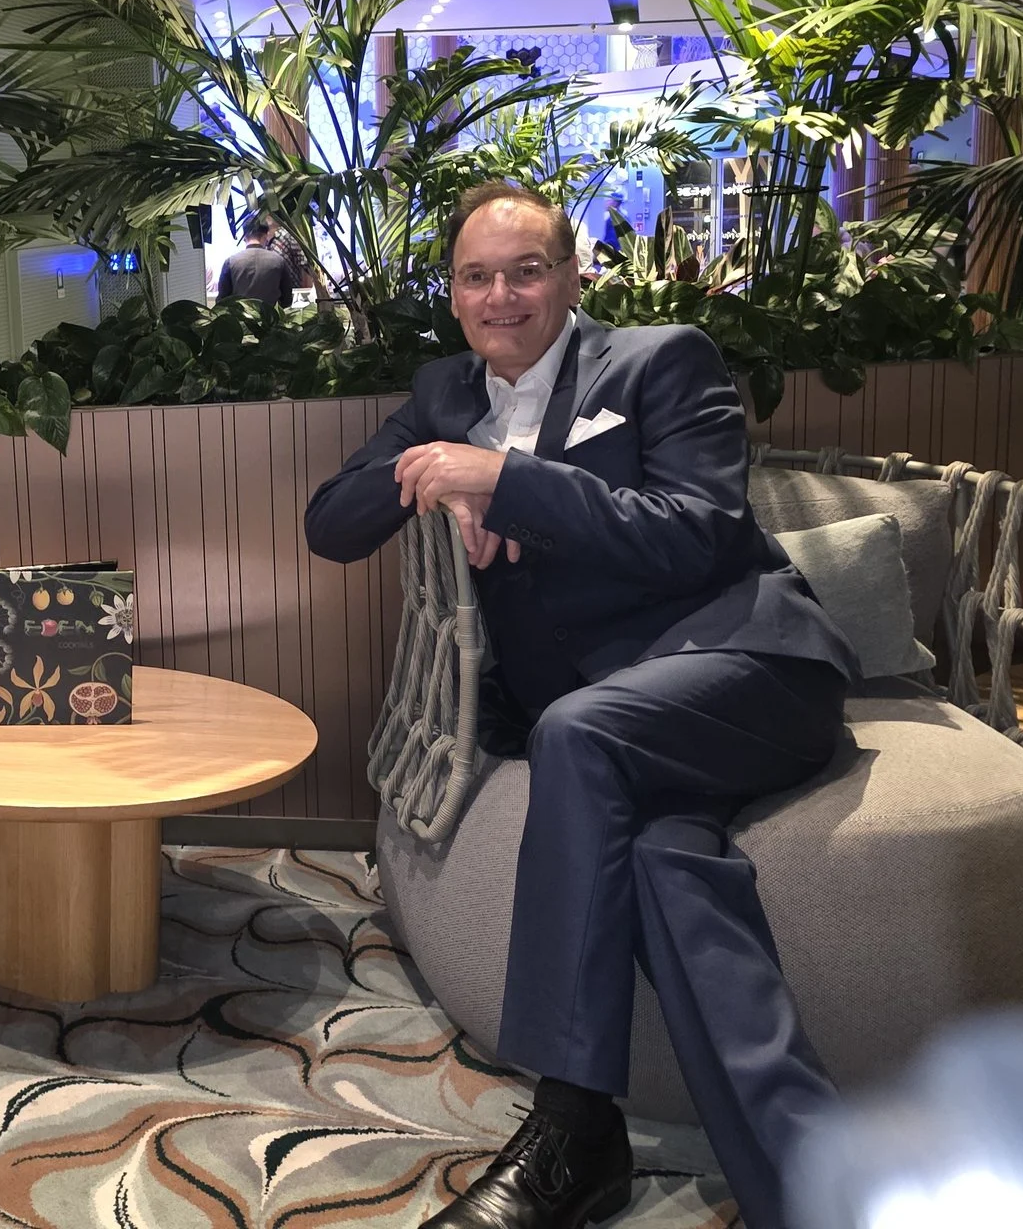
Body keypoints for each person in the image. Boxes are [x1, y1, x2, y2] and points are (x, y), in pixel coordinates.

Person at [303, 183, 859, 1229]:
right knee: (666, 866)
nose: (500, 294)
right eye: (476, 275)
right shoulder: (440, 391)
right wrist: (431, 471)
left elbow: (697, 529)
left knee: (581, 731)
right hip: (622, 731)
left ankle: (571, 1124)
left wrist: (508, 482)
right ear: (453, 294)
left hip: (745, 672)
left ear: (571, 276)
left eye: (526, 270)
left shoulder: (659, 360)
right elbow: (331, 525)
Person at [215, 212, 296, 307]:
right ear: (266, 236)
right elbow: (287, 299)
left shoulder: (230, 262)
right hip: (269, 320)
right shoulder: (279, 262)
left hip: (239, 320)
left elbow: (222, 300)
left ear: (244, 237)